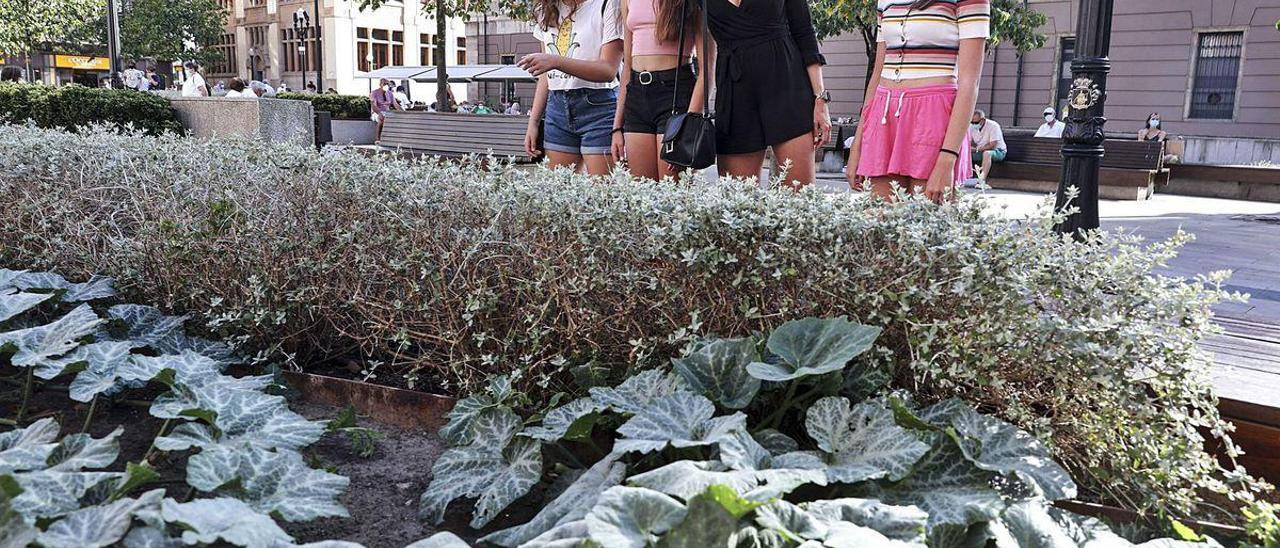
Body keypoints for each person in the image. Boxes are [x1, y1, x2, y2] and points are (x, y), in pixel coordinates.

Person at [846, 0, 987, 202]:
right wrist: (857, 144)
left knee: (927, 222)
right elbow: (877, 74)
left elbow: (969, 83)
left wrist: (947, 159)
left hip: (933, 117)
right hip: (883, 116)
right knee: (879, 223)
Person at [704, 0, 831, 187]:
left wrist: (820, 100)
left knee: (800, 201)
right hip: (735, 97)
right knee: (737, 205)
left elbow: (804, 32)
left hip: (787, 86)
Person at [519, 0, 625, 176]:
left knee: (602, 194)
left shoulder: (607, 4)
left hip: (600, 106)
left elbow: (608, 70)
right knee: (560, 193)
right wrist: (533, 122)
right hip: (557, 108)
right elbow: (545, 76)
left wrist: (555, 61)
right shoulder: (545, 8)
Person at [611, 0, 706, 181]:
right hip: (637, 95)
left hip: (675, 92)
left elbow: (707, 70)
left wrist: (688, 128)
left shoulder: (692, 3)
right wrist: (617, 127)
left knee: (672, 192)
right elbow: (627, 67)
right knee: (642, 193)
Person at [969, 109, 1005, 186]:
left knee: (987, 153)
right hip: (979, 150)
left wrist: (976, 149)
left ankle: (981, 180)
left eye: (976, 122)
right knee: (964, 153)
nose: (974, 124)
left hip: (998, 151)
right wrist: (970, 148)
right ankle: (965, 177)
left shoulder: (993, 125)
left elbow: (993, 145)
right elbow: (969, 141)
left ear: (983, 120)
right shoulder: (971, 126)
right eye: (972, 122)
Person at [370, 78, 401, 144]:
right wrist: (379, 113)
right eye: (384, 84)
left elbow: (396, 105)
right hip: (376, 112)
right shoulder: (374, 93)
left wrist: (403, 113)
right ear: (380, 84)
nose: (386, 85)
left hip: (387, 112)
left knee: (397, 118)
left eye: (387, 84)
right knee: (381, 119)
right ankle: (377, 139)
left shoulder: (390, 94)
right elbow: (374, 106)